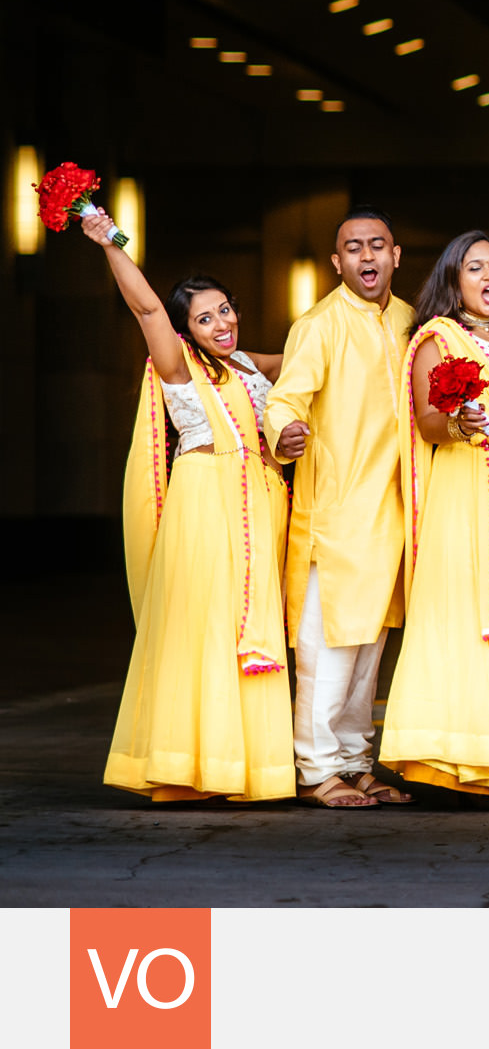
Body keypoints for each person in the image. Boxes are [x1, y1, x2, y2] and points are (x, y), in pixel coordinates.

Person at [82, 206, 294, 803]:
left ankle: (246, 768)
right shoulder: (178, 366)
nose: (221, 323)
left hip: (257, 506)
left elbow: (312, 360)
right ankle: (186, 766)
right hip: (205, 506)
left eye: (225, 309)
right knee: (202, 630)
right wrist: (108, 242)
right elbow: (147, 307)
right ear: (186, 330)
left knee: (248, 632)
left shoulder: (250, 364)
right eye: (205, 318)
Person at [380, 231, 489, 806]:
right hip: (469, 482)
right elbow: (430, 421)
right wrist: (463, 426)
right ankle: (458, 764)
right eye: (475, 267)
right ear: (453, 278)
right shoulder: (437, 338)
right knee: (466, 615)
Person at [263, 208, 415, 809]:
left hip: (391, 514)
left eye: (378, 245)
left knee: (368, 650)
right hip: (337, 514)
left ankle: (354, 761)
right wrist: (286, 434)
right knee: (326, 652)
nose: (367, 257)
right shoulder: (319, 324)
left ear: (396, 255)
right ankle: (316, 767)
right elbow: (284, 400)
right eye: (354, 248)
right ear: (337, 262)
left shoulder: (410, 320)